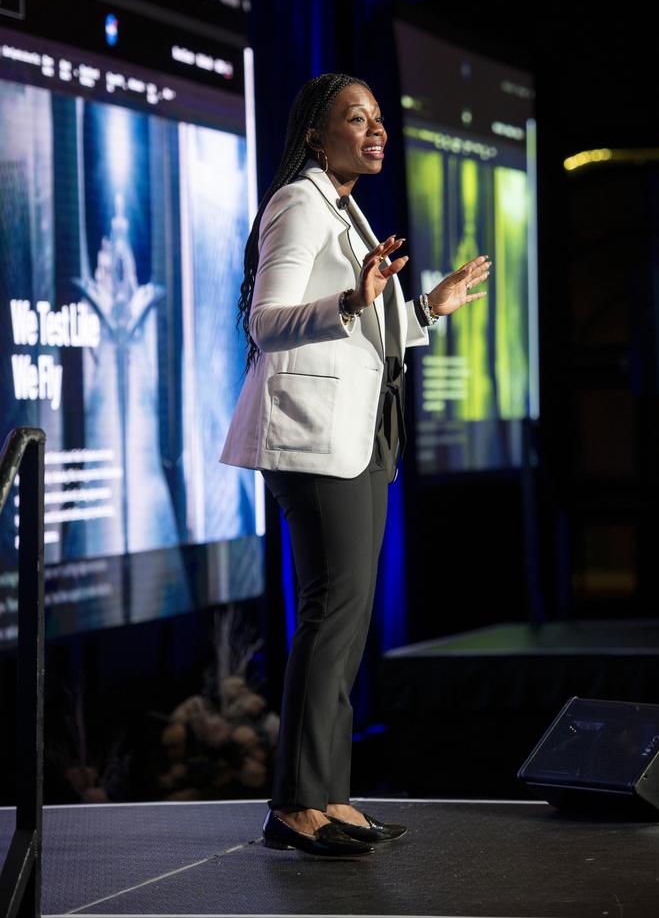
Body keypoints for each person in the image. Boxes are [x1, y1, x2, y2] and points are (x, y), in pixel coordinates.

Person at [220, 72, 490, 858]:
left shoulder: (342, 203)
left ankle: (330, 795)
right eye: (355, 118)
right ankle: (295, 805)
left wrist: (424, 308)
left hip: (361, 435)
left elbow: (364, 335)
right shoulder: (299, 202)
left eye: (377, 118)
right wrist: (349, 300)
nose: (375, 130)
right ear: (314, 133)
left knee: (347, 621)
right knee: (330, 617)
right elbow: (265, 323)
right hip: (312, 437)